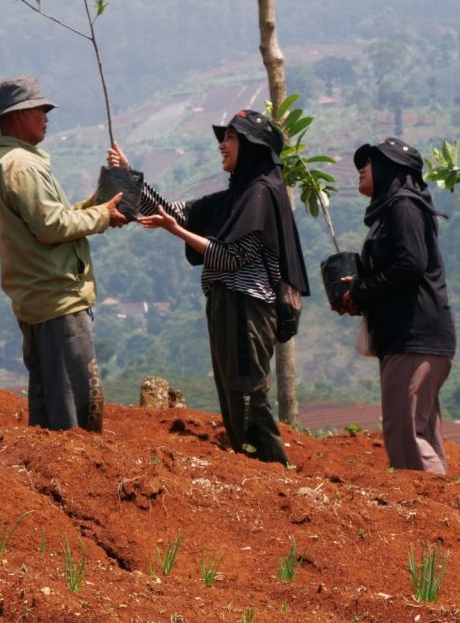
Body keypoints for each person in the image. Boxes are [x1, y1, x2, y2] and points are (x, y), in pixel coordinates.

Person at [107, 110, 309, 465]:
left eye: (230, 138)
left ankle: (275, 474)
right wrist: (129, 175)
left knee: (248, 398)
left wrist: (176, 231)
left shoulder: (260, 194)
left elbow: (230, 256)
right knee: (234, 397)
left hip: (247, 309)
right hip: (228, 305)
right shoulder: (238, 195)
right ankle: (257, 472)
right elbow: (172, 211)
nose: (222, 145)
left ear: (251, 147)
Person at [0, 75, 127, 432]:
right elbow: (51, 228)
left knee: (49, 407)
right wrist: (103, 214)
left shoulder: (11, 162)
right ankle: (78, 482)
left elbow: (50, 219)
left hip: (39, 300)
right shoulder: (24, 166)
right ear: (18, 115)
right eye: (39, 110)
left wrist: (99, 203)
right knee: (77, 410)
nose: (46, 117)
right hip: (56, 300)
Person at [336, 138, 456, 474]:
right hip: (413, 338)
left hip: (414, 338)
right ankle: (443, 515)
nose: (361, 167)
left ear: (391, 169)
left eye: (371, 161)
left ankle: (430, 514)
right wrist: (358, 291)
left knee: (405, 436)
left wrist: (363, 291)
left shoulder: (402, 206)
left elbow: (410, 263)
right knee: (421, 432)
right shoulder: (397, 209)